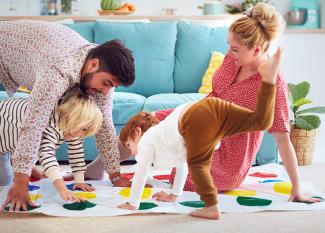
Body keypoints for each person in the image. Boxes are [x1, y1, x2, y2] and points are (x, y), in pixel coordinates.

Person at [147, 3, 320, 204]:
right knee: (146, 121)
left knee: (187, 172)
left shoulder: (273, 82)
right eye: (229, 45)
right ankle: (112, 173)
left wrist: (296, 187)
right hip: (200, 119)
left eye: (235, 49)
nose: (228, 52)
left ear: (256, 50)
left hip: (229, 158)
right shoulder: (233, 58)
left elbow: (282, 138)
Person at [117, 48, 282, 220]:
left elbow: (141, 174)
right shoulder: (168, 141)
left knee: (198, 164)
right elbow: (181, 166)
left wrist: (133, 203)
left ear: (137, 132)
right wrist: (174, 195)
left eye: (129, 145)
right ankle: (268, 80)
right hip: (212, 108)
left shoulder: (146, 141)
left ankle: (211, 206)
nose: (132, 152)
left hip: (197, 117)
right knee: (260, 122)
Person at [0, 20, 135, 211]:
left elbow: (104, 125)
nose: (106, 92)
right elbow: (34, 122)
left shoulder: (102, 73)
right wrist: (21, 181)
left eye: (111, 86)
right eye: (106, 83)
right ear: (93, 64)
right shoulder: (57, 71)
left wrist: (115, 175)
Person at [0, 86, 103, 210]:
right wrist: (63, 190)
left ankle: (14, 160)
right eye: (83, 129)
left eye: (85, 132)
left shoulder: (71, 126)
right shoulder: (50, 124)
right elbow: (46, 155)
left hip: (13, 145)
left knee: (11, 173)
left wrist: (79, 180)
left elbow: (76, 152)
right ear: (71, 116)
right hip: (3, 136)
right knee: (5, 182)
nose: (81, 135)